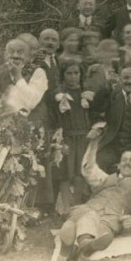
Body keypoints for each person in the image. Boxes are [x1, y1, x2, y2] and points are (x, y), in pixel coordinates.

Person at [57, 142, 131, 261]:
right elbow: (88, 168)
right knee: (89, 215)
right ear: (119, 165)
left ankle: (69, 249)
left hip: (110, 219)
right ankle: (84, 246)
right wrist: (93, 143)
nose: (127, 163)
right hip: (86, 210)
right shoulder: (104, 179)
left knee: (103, 232)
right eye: (124, 160)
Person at [53, 60, 93, 208]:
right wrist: (60, 140)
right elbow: (56, 118)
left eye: (76, 73)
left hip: (83, 137)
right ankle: (64, 207)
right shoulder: (59, 95)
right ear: (63, 75)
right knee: (65, 172)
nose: (73, 76)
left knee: (80, 172)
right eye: (69, 73)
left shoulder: (86, 95)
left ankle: (77, 204)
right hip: (67, 137)